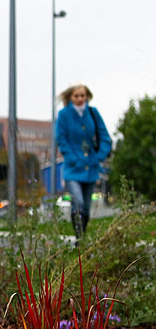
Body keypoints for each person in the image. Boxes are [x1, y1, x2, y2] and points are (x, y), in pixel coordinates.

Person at [56, 84, 112, 242]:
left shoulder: (93, 113)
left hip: (91, 167)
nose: (80, 99)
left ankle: (83, 237)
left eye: (83, 95)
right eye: (77, 96)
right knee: (78, 203)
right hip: (73, 169)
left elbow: (105, 136)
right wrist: (71, 157)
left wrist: (99, 156)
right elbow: (61, 138)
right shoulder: (64, 114)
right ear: (70, 97)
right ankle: (79, 236)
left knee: (86, 207)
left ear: (87, 96)